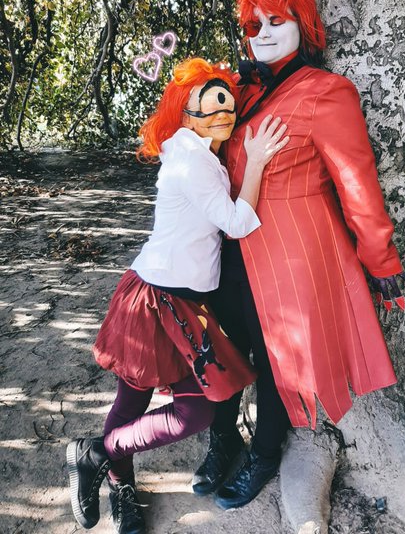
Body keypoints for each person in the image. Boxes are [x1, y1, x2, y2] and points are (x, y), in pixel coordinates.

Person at [192, 0, 405, 510]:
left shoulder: (328, 93)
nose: (263, 33)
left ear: (304, 23)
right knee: (222, 347)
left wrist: (382, 262)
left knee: (275, 358)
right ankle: (222, 440)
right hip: (227, 245)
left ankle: (266, 453)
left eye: (277, 20)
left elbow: (358, 186)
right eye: (254, 25)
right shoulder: (237, 91)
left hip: (290, 254)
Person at [66, 57, 289, 533]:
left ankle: (98, 453)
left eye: (228, 105)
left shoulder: (196, 153)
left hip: (183, 303)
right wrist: (257, 161)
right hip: (154, 300)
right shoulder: (192, 160)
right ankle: (121, 485)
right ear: (186, 113)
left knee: (194, 410)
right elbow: (236, 222)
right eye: (211, 105)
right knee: (137, 402)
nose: (223, 114)